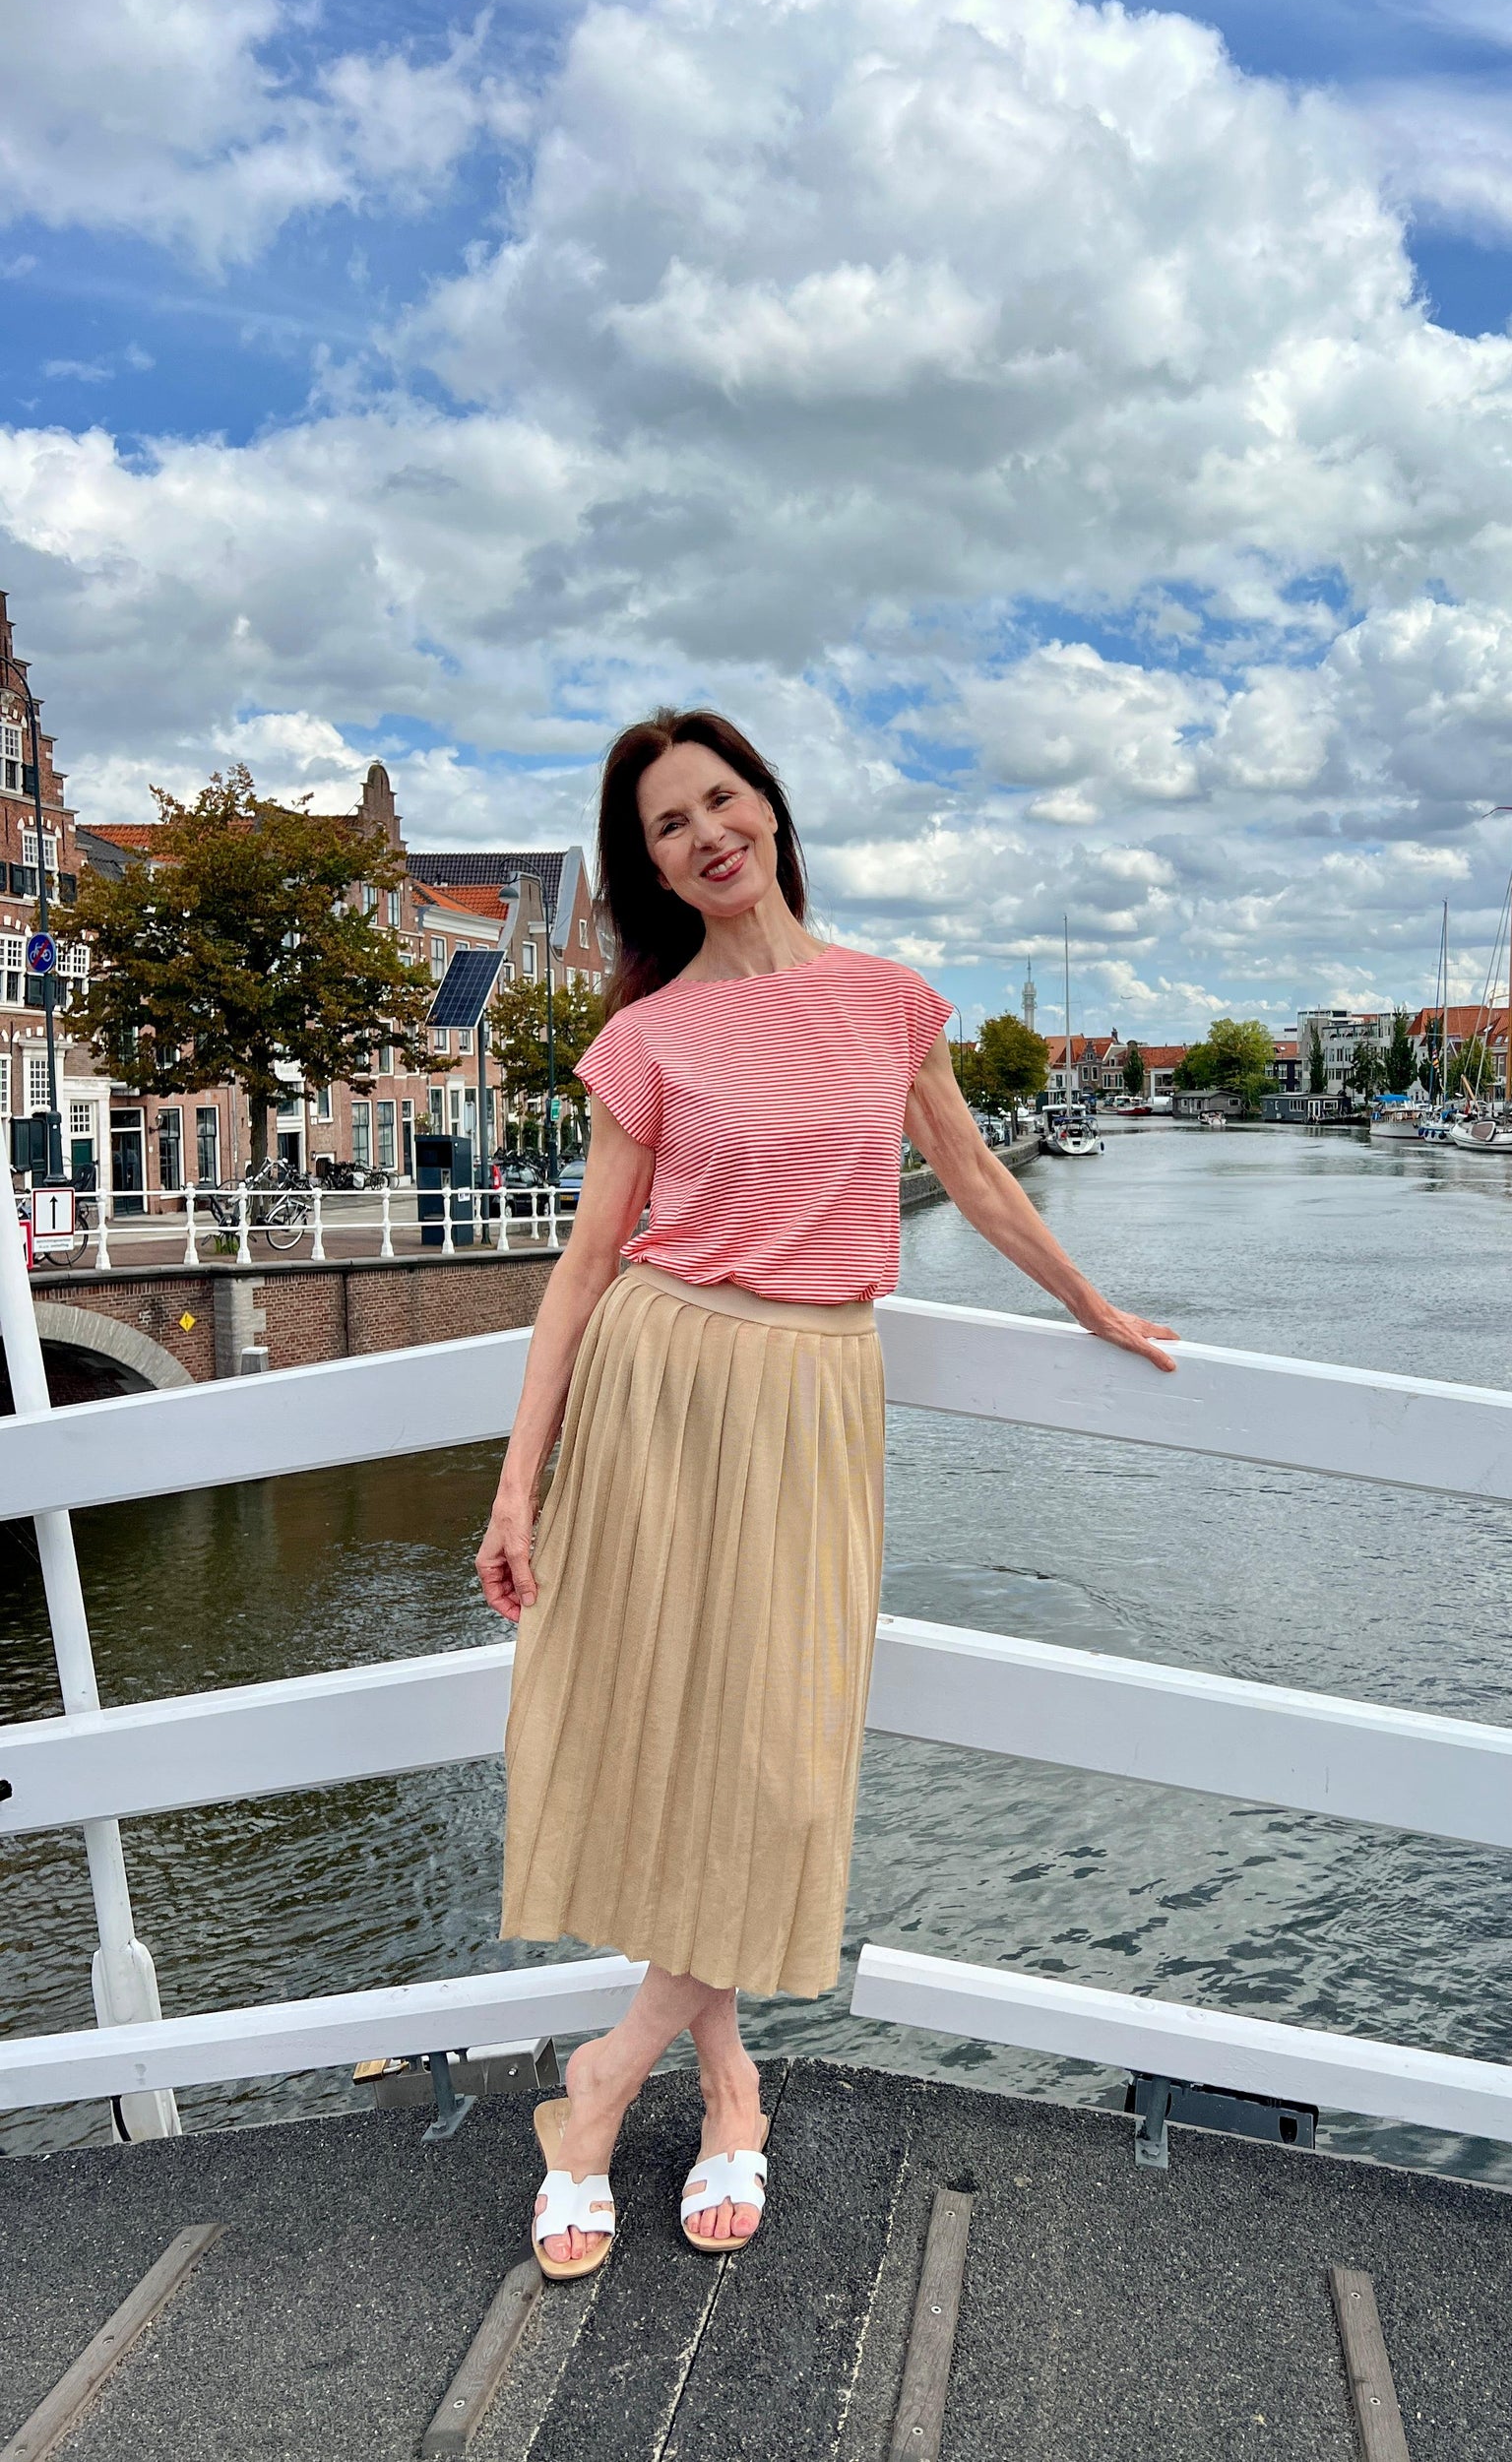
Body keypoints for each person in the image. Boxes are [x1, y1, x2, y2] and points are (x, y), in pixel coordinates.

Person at [476, 708, 1175, 2278]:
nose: (705, 834)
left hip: (811, 1397)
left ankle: (599, 2084)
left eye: (721, 800)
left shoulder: (884, 1002)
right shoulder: (647, 1036)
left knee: (778, 1762)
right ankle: (727, 2090)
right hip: (661, 1389)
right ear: (644, 864)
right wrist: (518, 1488)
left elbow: (978, 1180)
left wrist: (1093, 1311)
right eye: (668, 824)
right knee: (675, 1745)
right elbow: (587, 1263)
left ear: (771, 811)